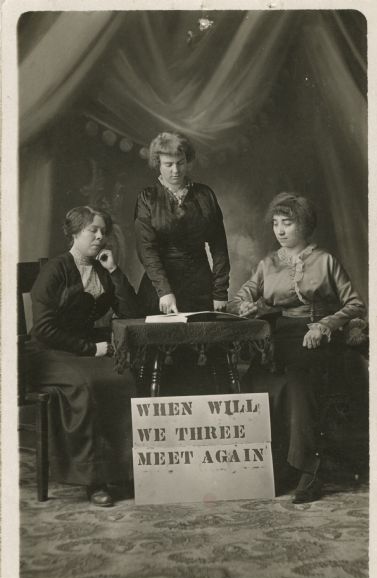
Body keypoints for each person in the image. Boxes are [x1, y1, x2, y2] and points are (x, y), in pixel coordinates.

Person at [227, 192, 366, 503]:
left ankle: (308, 469)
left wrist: (325, 325)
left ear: (303, 225)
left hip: (317, 336)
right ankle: (272, 468)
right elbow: (241, 296)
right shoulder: (268, 263)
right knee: (254, 381)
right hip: (280, 335)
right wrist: (245, 306)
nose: (279, 230)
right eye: (276, 224)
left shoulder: (325, 261)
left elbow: (355, 304)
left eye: (286, 223)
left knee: (298, 380)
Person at [28, 206, 142, 507]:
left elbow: (131, 314)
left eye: (103, 231)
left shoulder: (102, 269)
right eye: (93, 230)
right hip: (47, 352)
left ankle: (122, 473)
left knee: (124, 377)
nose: (100, 236)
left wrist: (115, 271)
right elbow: (42, 328)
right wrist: (91, 349)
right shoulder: (56, 269)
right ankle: (93, 481)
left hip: (82, 350)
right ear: (75, 232)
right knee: (88, 386)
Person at [134, 132, 230, 315]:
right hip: (160, 289)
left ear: (188, 161)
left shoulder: (204, 195)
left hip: (200, 288)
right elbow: (146, 249)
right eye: (168, 165)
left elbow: (219, 246)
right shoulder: (147, 198)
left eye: (180, 163)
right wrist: (164, 292)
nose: (175, 170)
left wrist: (220, 292)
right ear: (157, 164)